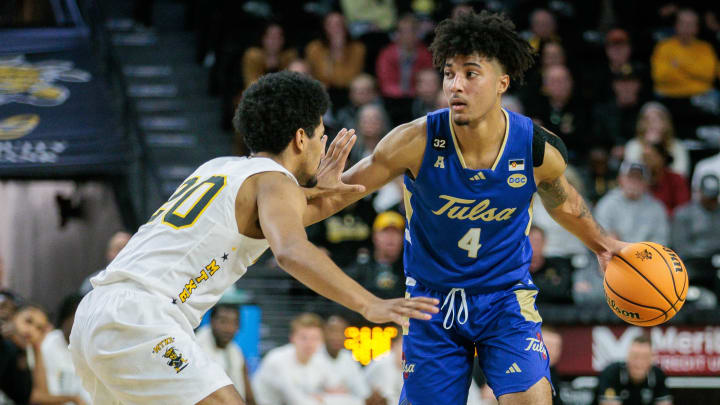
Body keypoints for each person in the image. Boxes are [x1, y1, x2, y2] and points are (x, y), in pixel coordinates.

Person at [307, 11, 629, 405]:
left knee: (531, 399)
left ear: (501, 83)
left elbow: (565, 203)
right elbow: (340, 193)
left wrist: (601, 244)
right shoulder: (414, 140)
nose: (456, 85)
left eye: (471, 74)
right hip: (430, 301)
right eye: (448, 74)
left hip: (503, 296)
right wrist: (315, 191)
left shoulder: (533, 147)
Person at [69, 71, 439, 405]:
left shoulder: (220, 168)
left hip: (95, 315)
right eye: (320, 135)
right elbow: (292, 251)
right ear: (299, 138)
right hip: (141, 317)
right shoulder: (275, 183)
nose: (323, 147)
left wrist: (325, 192)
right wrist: (368, 304)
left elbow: (305, 210)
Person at [651, 8, 720, 135]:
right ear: (676, 25)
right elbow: (661, 77)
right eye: (683, 23)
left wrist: (679, 64)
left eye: (691, 24)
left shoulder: (705, 48)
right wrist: (694, 72)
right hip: (670, 97)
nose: (686, 27)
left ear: (697, 27)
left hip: (700, 97)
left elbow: (708, 74)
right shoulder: (663, 47)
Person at [252, 313, 345, 405]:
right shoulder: (277, 360)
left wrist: (321, 396)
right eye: (304, 338)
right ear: (292, 338)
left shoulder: (319, 359)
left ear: (322, 341)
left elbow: (339, 389)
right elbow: (295, 401)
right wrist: (318, 398)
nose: (309, 344)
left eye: (315, 338)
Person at [594, 161, 669, 245]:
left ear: (646, 183)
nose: (634, 182)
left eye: (639, 178)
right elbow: (601, 237)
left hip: (646, 255)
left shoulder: (657, 208)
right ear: (620, 179)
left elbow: (661, 240)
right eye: (630, 177)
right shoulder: (607, 204)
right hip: (614, 254)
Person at [195, 304, 255, 404]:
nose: (228, 328)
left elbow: (248, 396)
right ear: (211, 321)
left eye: (234, 323)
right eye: (223, 322)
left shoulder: (236, 351)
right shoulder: (196, 348)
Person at [40, 294, 91, 404]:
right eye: (79, 318)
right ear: (65, 318)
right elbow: (47, 392)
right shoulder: (48, 344)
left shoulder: (87, 346)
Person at [671, 174, 720, 285]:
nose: (711, 201)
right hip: (693, 263)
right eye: (708, 197)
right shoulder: (683, 214)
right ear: (699, 192)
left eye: (714, 197)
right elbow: (681, 248)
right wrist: (706, 253)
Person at [595, 336, 672, 405]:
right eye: (635, 356)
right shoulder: (612, 373)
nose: (639, 363)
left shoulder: (658, 375)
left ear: (652, 359)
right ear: (627, 356)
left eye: (644, 357)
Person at [346, 211, 406, 300]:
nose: (391, 237)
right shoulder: (361, 267)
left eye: (396, 232)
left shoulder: (410, 270)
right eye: (385, 232)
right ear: (375, 236)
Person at [320, 314, 371, 402]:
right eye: (332, 331)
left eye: (341, 332)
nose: (337, 336)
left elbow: (362, 391)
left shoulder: (348, 358)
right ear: (324, 333)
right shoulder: (313, 355)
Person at [241, 23, 298, 90]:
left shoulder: (289, 55)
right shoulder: (253, 55)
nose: (274, 41)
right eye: (271, 37)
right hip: (258, 94)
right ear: (263, 38)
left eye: (278, 37)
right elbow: (250, 83)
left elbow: (292, 82)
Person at [641, 141, 690, 216]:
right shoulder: (639, 180)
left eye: (649, 157)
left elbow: (683, 210)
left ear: (662, 158)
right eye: (644, 158)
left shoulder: (677, 180)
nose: (645, 161)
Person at [528, 226, 573, 304]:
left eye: (537, 241)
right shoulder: (514, 269)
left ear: (544, 242)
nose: (534, 246)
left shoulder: (559, 265)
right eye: (530, 242)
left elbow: (563, 291)